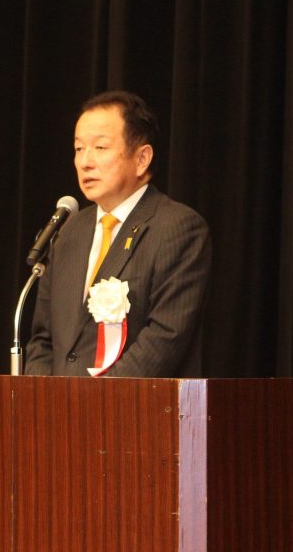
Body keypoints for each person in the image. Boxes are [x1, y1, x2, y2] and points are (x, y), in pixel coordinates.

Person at [23, 90, 212, 377]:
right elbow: (42, 340)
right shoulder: (68, 231)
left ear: (142, 159)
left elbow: (164, 338)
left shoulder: (178, 228)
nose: (85, 162)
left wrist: (95, 399)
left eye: (100, 147)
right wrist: (42, 398)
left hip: (133, 403)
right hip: (59, 405)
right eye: (79, 149)